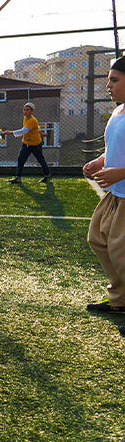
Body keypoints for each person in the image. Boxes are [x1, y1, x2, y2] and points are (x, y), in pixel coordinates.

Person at [83, 55, 125, 319]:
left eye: (114, 80)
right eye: (109, 80)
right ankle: (120, 298)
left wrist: (120, 172)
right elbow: (114, 149)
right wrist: (99, 162)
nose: (108, 85)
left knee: (122, 252)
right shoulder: (118, 112)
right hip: (116, 193)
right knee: (97, 239)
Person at [4, 102, 51, 183]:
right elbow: (37, 127)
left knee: (41, 160)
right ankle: (18, 178)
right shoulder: (25, 118)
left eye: (27, 110)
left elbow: (24, 131)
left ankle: (47, 176)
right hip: (26, 144)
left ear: (32, 111)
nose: (25, 112)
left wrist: (10, 132)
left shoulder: (32, 120)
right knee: (21, 159)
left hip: (36, 145)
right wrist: (42, 133)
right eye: (24, 110)